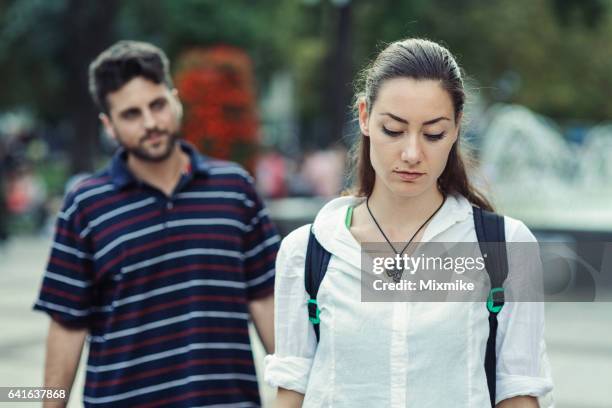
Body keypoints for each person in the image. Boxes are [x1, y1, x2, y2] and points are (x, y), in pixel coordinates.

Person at [264, 38, 553, 407]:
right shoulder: (308, 251)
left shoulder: (506, 246)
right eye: (394, 130)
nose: (412, 153)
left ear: (457, 126)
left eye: (433, 133)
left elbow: (519, 393)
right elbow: (291, 391)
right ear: (365, 117)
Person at [34, 40, 279, 407]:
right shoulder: (85, 206)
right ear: (109, 125)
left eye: (158, 104)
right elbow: (67, 326)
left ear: (175, 99)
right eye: (131, 114)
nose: (150, 123)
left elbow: (267, 300)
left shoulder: (236, 189)